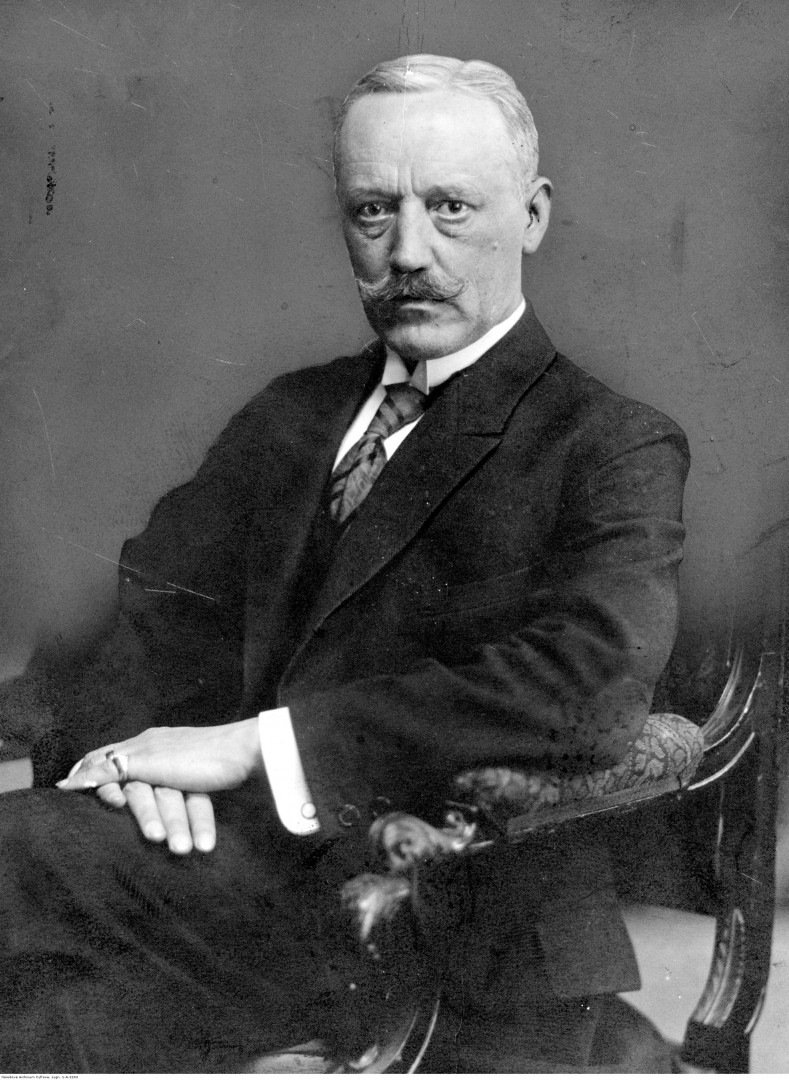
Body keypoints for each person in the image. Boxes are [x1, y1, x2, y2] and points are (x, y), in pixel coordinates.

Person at [0, 54, 689, 1072]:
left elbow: (588, 683)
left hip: (441, 918)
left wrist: (254, 749)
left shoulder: (605, 442)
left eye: (450, 208)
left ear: (533, 215)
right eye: (374, 211)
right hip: (218, 892)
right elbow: (141, 613)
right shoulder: (293, 414)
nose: (407, 251)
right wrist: (131, 763)